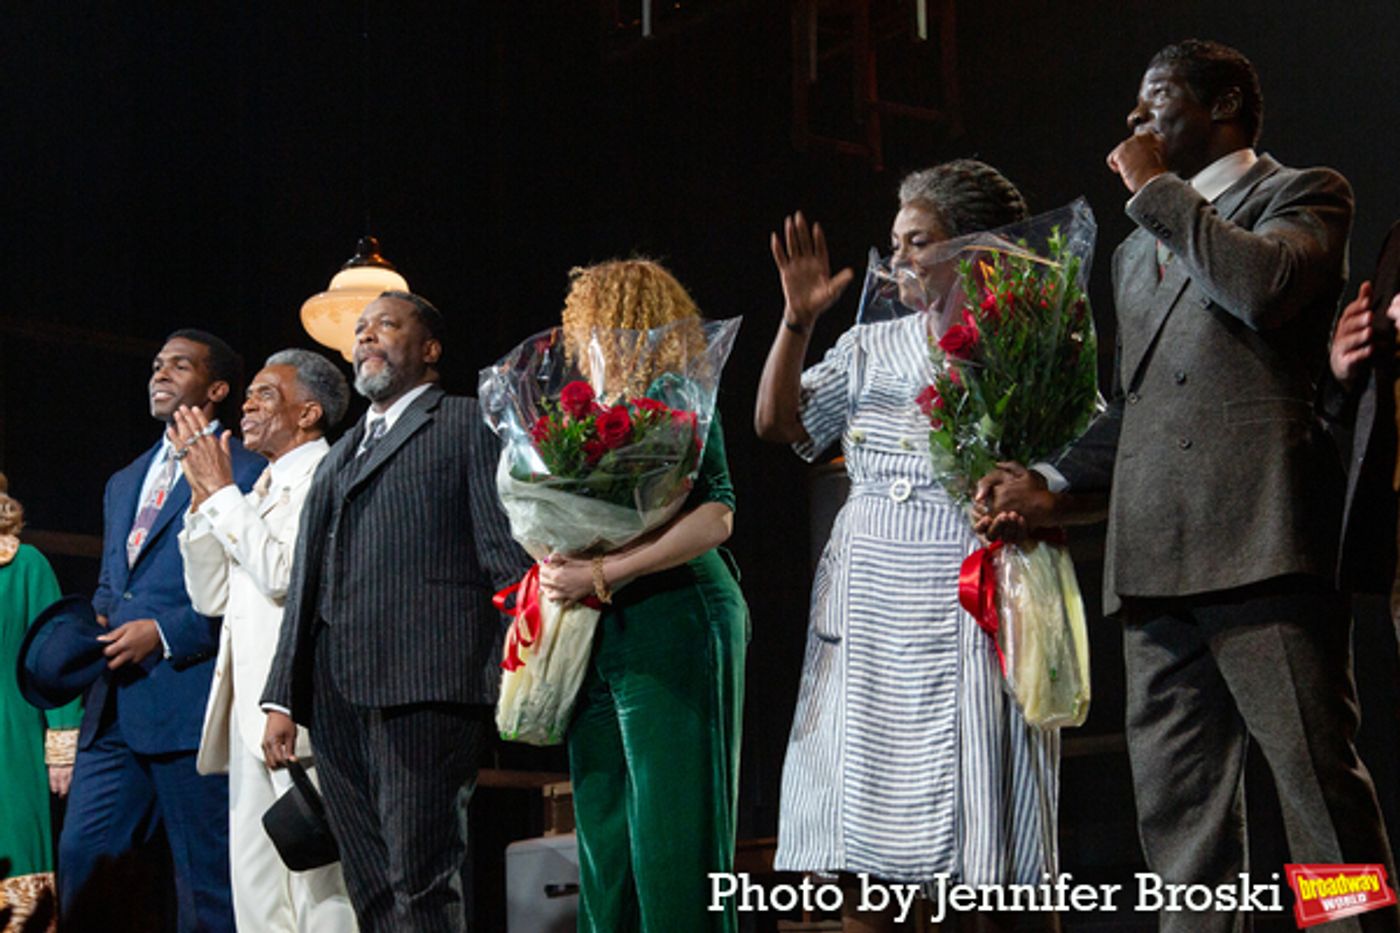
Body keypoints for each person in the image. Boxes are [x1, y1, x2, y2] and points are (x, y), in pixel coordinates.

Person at [975, 40, 1399, 932]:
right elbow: (1142, 407)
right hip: (1154, 561)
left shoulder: (1303, 192)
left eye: (1158, 101)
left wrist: (1157, 192)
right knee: (1181, 817)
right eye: (1134, 107)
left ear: (1229, 105)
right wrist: (1048, 478)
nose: (1138, 122)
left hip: (1263, 544)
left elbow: (1265, 289)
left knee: (1316, 795)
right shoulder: (1139, 250)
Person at [754, 160, 1055, 933]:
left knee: (983, 842)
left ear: (977, 246)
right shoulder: (869, 341)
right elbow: (778, 424)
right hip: (869, 601)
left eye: (917, 241)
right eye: (894, 245)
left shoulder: (1023, 341)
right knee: (861, 844)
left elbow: (1064, 466)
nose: (898, 261)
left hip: (963, 588)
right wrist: (797, 320)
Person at [259, 291, 526, 932]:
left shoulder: (464, 422)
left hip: (429, 685)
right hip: (336, 695)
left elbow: (504, 561)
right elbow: (305, 585)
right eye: (359, 329)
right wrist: (281, 697)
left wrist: (520, 667)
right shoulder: (342, 451)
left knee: (421, 880)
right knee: (369, 885)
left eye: (386, 325)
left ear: (429, 349)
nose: (366, 337)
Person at [534, 259, 749, 932]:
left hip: (677, 612)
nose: (583, 337)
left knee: (673, 836)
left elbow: (718, 514)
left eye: (593, 319)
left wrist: (607, 571)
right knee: (605, 838)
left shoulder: (678, 394)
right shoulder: (593, 415)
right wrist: (555, 555)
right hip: (602, 629)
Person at [59, 329, 263, 932]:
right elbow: (111, 583)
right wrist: (93, 620)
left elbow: (254, 588)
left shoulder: (248, 470)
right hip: (115, 707)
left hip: (189, 702)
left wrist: (167, 632)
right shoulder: (124, 480)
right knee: (82, 857)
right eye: (156, 365)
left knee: (205, 882)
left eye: (180, 365)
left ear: (218, 388)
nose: (161, 374)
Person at [174, 349, 356, 932]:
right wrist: (204, 501)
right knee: (256, 894)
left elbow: (282, 573)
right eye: (248, 394)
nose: (247, 405)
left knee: (318, 889)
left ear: (308, 413)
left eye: (264, 395)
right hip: (246, 717)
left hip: (297, 713)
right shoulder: (258, 488)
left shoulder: (326, 477)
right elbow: (211, 597)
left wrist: (222, 492)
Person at [0, 476, 80, 921]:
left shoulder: (24, 564)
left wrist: (62, 745)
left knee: (15, 857)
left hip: (9, 738)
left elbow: (56, 661)